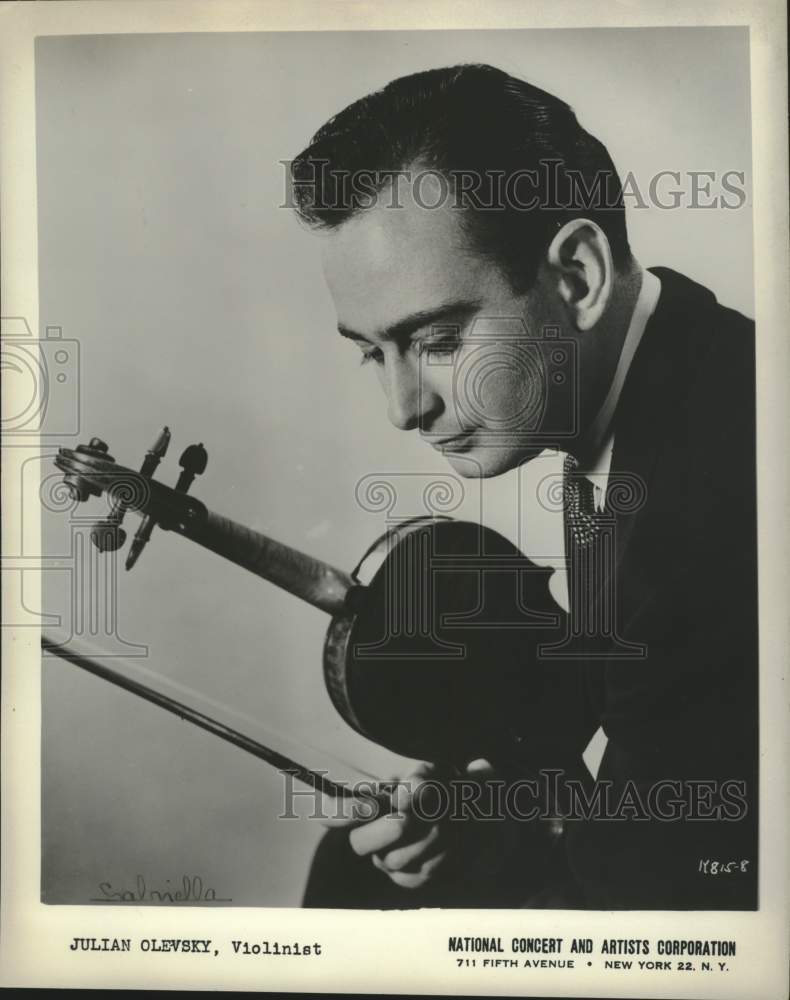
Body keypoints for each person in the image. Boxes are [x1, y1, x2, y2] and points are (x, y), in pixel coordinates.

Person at [290, 64, 758, 909]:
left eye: (437, 341)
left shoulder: (703, 523)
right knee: (355, 866)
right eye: (370, 352)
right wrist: (500, 808)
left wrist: (511, 841)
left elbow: (659, 901)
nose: (403, 408)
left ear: (577, 276)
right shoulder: (682, 361)